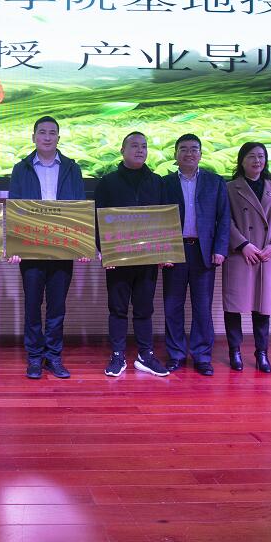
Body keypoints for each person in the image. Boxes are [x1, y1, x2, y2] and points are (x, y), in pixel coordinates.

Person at [8, 116, 88, 380]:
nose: (47, 137)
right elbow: (15, 207)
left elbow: (79, 207)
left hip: (63, 249)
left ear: (58, 138)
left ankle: (53, 356)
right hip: (30, 249)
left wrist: (82, 245)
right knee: (32, 306)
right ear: (33, 137)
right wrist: (15, 245)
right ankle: (34, 357)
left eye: (52, 132)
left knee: (57, 307)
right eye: (42, 132)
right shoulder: (21, 169)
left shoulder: (72, 168)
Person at [95, 131, 170, 377]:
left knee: (144, 308)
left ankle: (145, 355)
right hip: (118, 258)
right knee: (117, 309)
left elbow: (166, 218)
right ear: (122, 151)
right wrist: (103, 251)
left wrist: (166, 250)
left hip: (148, 258)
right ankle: (118, 355)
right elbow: (97, 218)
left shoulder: (157, 182)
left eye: (144, 146)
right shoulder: (108, 182)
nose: (140, 150)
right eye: (135, 146)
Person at [161, 133, 230, 376]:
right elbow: (157, 219)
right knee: (172, 306)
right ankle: (176, 354)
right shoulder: (165, 183)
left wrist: (220, 249)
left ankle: (202, 356)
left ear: (200, 154)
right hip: (174, 251)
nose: (189, 153)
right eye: (183, 149)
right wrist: (161, 251)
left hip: (204, 252)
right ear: (175, 154)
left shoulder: (215, 182)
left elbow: (224, 218)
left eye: (194, 149)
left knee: (202, 307)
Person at [223, 142, 271, 373]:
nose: (257, 161)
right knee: (234, 305)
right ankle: (235, 351)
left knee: (263, 306)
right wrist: (243, 244)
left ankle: (262, 353)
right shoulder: (230, 188)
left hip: (266, 255)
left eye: (261, 156)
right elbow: (225, 220)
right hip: (241, 253)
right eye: (251, 156)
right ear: (241, 160)